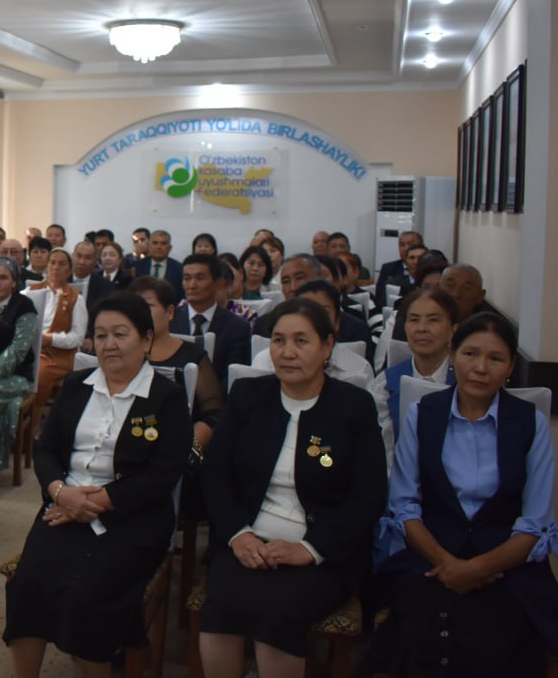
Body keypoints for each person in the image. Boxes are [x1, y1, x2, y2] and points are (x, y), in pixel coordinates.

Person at [368, 313, 558, 676]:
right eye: (470, 354)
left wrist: (475, 569)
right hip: (430, 555)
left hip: (505, 564)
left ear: (510, 367)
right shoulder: (423, 414)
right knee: (417, 633)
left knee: (497, 635)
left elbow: (535, 523)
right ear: (453, 355)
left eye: (495, 358)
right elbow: (404, 506)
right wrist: (449, 565)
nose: (480, 368)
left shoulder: (530, 422)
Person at [4, 292, 191, 678]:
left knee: (86, 596)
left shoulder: (167, 399)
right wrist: (61, 493)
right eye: (101, 335)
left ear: (146, 339)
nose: (109, 344)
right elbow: (46, 450)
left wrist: (99, 501)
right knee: (27, 584)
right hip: (62, 507)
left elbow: (163, 475)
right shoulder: (77, 385)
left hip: (132, 519)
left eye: (120, 334)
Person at [198, 298, 387, 678]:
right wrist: (238, 535)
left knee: (277, 613)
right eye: (279, 340)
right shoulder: (249, 396)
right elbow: (215, 475)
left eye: (301, 341)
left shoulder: (353, 406)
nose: (287, 352)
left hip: (321, 554)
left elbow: (369, 497)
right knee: (221, 606)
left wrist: (310, 549)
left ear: (327, 346)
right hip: (247, 543)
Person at [129, 276, 222, 513]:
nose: (138, 313)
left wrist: (185, 447)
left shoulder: (193, 355)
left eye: (147, 306)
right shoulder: (121, 354)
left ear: (170, 312)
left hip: (180, 450)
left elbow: (214, 413)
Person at [366, 288, 458, 468]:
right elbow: (382, 451)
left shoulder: (465, 381)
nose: (421, 328)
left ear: (453, 330)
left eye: (433, 320)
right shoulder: (386, 383)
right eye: (414, 320)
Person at [252, 280, 374, 388]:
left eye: (323, 312)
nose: (312, 320)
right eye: (304, 312)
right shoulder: (264, 362)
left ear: (337, 322)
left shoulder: (358, 369)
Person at [0, 256, 39, 482]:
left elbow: (19, 348)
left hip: (15, 376)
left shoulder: (24, 306)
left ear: (14, 282)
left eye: (3, 278)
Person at [170, 253, 252, 388]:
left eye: (200, 278)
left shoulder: (238, 327)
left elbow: (233, 378)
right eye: (187, 278)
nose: (192, 285)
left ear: (219, 283)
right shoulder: (170, 320)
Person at [29, 249, 88, 412]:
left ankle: (35, 417)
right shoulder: (30, 291)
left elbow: (78, 337)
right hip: (30, 349)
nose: (56, 267)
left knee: (39, 373)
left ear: (69, 270)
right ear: (47, 266)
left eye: (62, 264)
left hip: (58, 355)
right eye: (52, 262)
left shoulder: (76, 298)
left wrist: (50, 339)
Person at [374, 230, 422, 310]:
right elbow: (379, 300)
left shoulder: (430, 269)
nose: (406, 248)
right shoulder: (388, 269)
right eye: (402, 245)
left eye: (410, 244)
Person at [134, 230, 183, 298]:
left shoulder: (179, 268)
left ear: (169, 248)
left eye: (163, 243)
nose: (159, 247)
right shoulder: (137, 266)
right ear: (149, 246)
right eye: (155, 243)